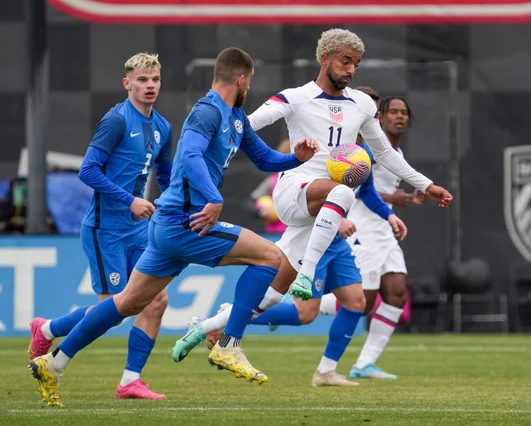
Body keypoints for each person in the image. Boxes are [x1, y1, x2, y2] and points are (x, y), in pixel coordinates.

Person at [28, 47, 318, 407]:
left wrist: (295, 158)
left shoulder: (236, 116)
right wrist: (213, 198)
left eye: (155, 79)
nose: (151, 86)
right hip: (187, 221)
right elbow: (192, 155)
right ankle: (229, 344)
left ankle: (53, 362)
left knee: (129, 303)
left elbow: (263, 159)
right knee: (272, 258)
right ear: (242, 80)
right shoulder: (207, 111)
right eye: (250, 81)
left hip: (167, 223)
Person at [179, 142, 407, 387]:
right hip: (312, 239)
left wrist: (390, 213)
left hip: (338, 241)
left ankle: (326, 372)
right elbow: (307, 194)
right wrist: (334, 219)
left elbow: (365, 190)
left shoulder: (360, 150)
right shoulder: (321, 147)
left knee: (357, 302)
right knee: (304, 313)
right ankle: (222, 319)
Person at [249, 28, 452, 302]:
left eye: (356, 63)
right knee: (343, 192)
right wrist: (278, 160)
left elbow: (386, 154)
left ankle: (212, 329)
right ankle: (307, 274)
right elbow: (248, 126)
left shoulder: (362, 104)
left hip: (324, 206)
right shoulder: (296, 97)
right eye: (345, 61)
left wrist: (426, 185)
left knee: (272, 296)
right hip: (294, 191)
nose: (351, 69)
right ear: (324, 58)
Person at [27, 52, 172, 400]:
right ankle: (47, 328)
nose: (149, 85)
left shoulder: (163, 126)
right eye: (142, 80)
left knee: (157, 300)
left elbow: (166, 177)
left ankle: (130, 381)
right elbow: (88, 170)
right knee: (115, 311)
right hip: (105, 228)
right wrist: (131, 201)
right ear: (127, 83)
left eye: (154, 80)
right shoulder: (117, 120)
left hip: (138, 229)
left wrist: (178, 203)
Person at [321, 96, 426, 380]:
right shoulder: (369, 149)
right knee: (360, 302)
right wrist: (399, 199)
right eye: (393, 112)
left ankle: (363, 364)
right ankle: (286, 306)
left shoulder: (396, 153)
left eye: (404, 112)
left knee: (396, 294)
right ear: (380, 117)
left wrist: (401, 203)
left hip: (384, 231)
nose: (399, 116)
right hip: (364, 230)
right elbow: (359, 189)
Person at [248, 139, 290, 234]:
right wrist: (261, 210)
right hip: (276, 234)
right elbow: (251, 201)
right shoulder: (273, 180)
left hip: (298, 232)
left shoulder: (307, 179)